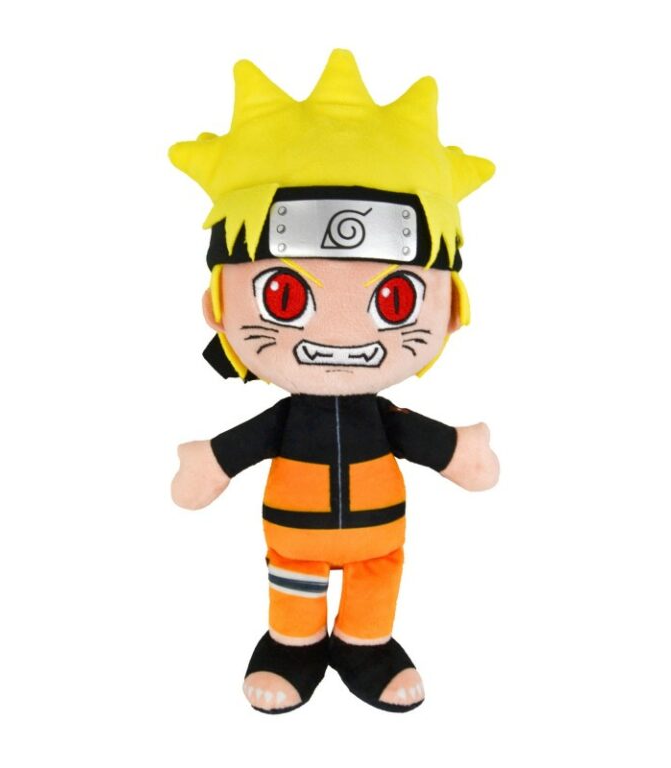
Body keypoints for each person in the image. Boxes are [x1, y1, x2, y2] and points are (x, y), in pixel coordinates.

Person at [170, 50, 499, 713]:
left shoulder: (382, 418)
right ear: (219, 307)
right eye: (284, 296)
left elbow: (415, 437)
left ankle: (365, 643)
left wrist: (457, 451)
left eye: (396, 300)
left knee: (378, 581)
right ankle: (292, 645)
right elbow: (248, 441)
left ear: (451, 311)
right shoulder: (289, 418)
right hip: (296, 537)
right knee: (293, 583)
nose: (344, 333)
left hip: (379, 537)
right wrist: (211, 463)